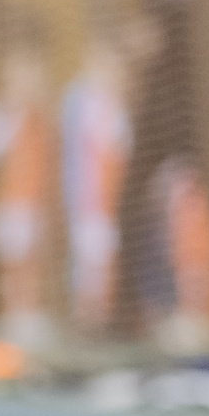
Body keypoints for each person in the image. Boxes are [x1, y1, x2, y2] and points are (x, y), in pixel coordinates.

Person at [119, 0, 209, 353]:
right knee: (132, 199)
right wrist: (139, 43)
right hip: (160, 99)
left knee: (208, 204)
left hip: (202, 99)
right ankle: (126, 315)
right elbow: (146, 22)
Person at [0, 41, 56, 349]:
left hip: (37, 204)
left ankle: (29, 316)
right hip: (13, 203)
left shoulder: (42, 115)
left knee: (31, 263)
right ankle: (14, 317)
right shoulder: (4, 113)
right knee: (14, 262)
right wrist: (5, 115)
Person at [61, 36, 133, 335]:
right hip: (87, 199)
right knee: (86, 259)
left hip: (114, 200)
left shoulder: (120, 109)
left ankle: (107, 317)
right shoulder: (79, 103)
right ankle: (85, 318)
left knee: (108, 261)